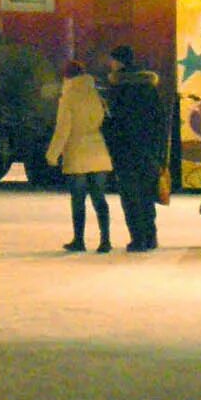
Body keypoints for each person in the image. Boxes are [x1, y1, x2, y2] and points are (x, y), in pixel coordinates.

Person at [102, 46, 165, 253]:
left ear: (119, 61)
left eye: (113, 60)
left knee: (130, 195)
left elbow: (113, 121)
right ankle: (150, 236)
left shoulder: (118, 88)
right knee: (147, 194)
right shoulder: (149, 87)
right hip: (148, 149)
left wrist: (111, 142)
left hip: (125, 149)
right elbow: (159, 120)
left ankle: (138, 238)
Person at [47, 59, 113, 253]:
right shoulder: (95, 94)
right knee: (99, 198)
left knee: (78, 199)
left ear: (67, 76)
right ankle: (105, 240)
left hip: (77, 152)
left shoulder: (68, 98)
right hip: (98, 150)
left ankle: (79, 240)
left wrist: (52, 154)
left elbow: (63, 129)